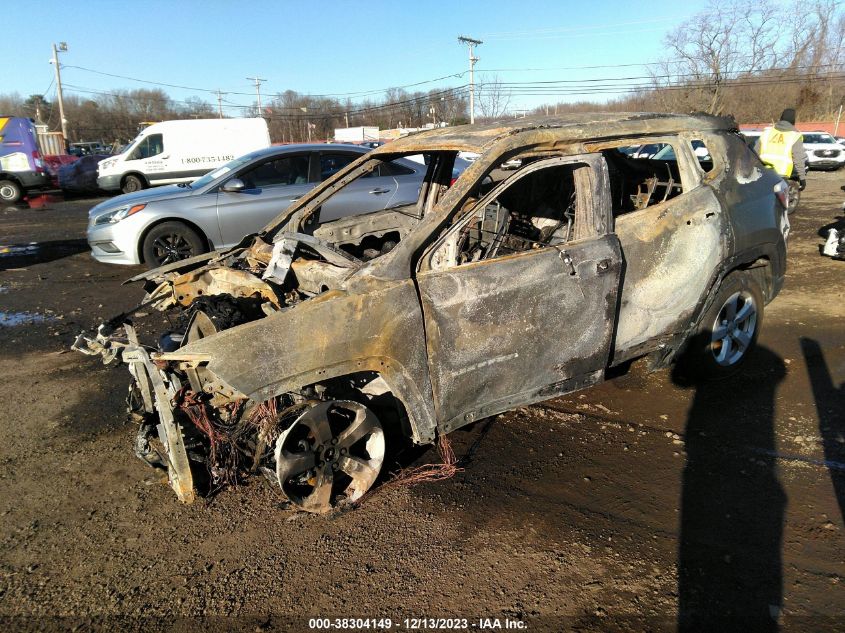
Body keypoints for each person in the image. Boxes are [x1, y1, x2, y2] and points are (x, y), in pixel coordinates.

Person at [754, 108, 808, 191]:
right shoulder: (794, 136)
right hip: (781, 176)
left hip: (763, 174)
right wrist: (802, 178)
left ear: (781, 118)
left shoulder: (767, 133)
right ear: (793, 121)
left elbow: (754, 153)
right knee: (778, 203)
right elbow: (799, 159)